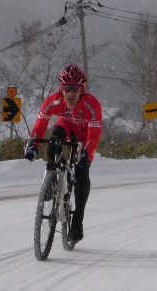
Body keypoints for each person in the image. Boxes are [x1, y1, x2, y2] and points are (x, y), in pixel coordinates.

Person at [24, 63, 102, 242]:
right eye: (67, 88)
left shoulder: (92, 104)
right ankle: (51, 181)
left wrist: (86, 154)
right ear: (61, 88)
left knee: (82, 173)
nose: (71, 93)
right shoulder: (53, 100)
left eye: (75, 89)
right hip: (65, 126)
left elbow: (94, 134)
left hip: (84, 134)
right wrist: (33, 143)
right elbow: (40, 124)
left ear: (82, 89)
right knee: (53, 138)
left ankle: (77, 220)